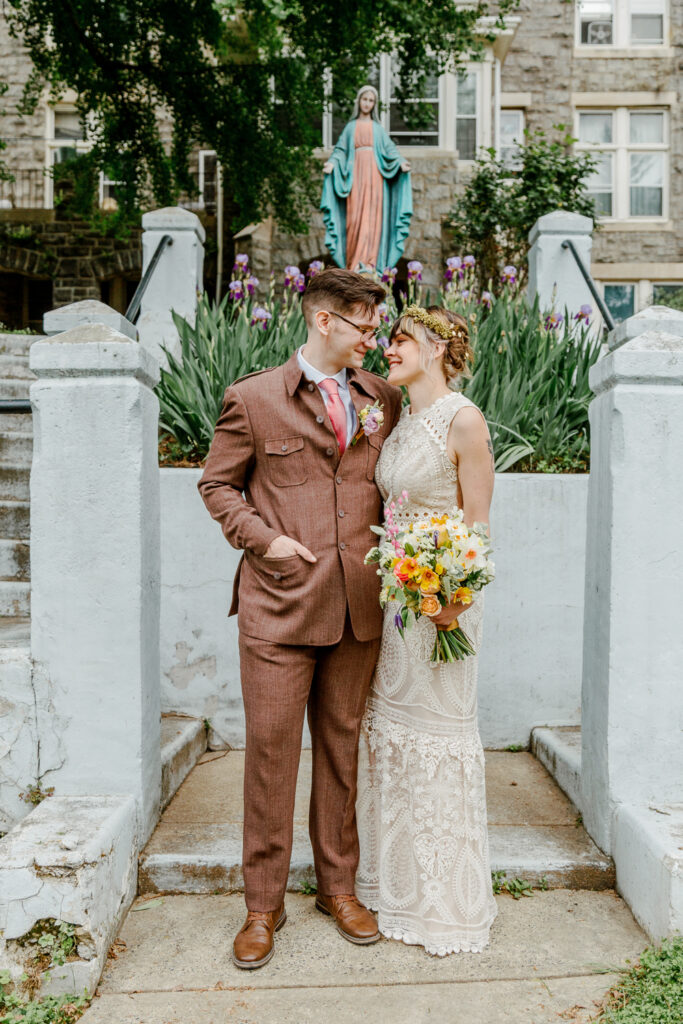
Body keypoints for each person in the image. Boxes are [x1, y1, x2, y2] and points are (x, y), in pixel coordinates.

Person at [198, 268, 402, 969]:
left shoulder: (383, 400)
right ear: (323, 322)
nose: (372, 339)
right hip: (278, 608)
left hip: (357, 612)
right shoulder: (252, 399)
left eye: (376, 326)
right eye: (362, 326)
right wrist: (265, 540)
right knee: (271, 757)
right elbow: (217, 484)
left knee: (343, 755)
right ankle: (262, 904)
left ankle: (337, 889)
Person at [355, 304, 498, 956]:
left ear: (436, 348)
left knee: (436, 740)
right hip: (395, 606)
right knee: (392, 736)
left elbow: (476, 523)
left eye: (401, 341)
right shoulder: (402, 419)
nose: (390, 350)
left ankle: (443, 902)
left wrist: (455, 601)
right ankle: (393, 886)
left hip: (440, 607)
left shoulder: (463, 419)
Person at [321, 85, 412, 272]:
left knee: (373, 220)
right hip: (355, 179)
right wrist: (332, 163)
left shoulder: (378, 129)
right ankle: (354, 263)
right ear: (359, 101)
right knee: (354, 219)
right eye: (365, 99)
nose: (367, 104)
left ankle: (371, 263)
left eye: (371, 101)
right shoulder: (350, 128)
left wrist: (401, 162)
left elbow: (390, 150)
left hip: (376, 180)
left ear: (374, 104)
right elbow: (340, 150)